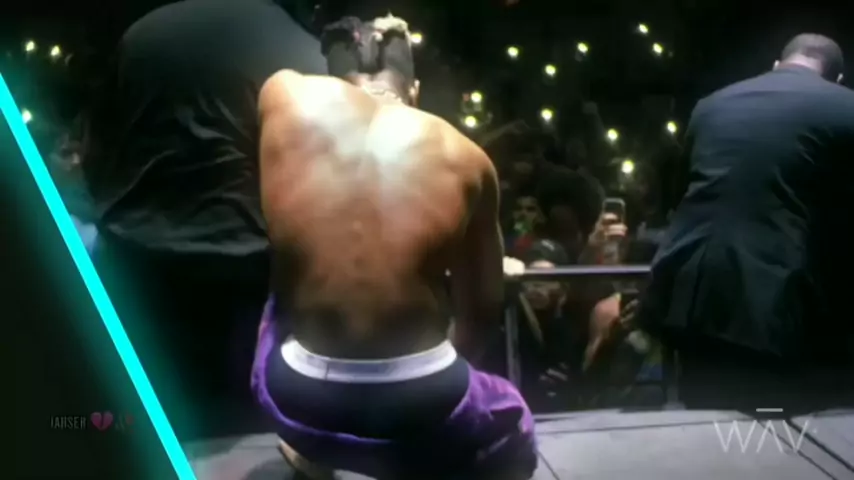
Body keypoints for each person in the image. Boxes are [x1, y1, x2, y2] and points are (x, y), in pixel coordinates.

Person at [250, 15, 537, 479]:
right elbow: (481, 312)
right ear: (414, 90)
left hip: (300, 396)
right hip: (421, 402)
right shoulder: (467, 157)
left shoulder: (282, 95)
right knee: (511, 414)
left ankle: (314, 451)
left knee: (279, 286)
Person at [82, 0, 327, 437]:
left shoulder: (143, 33)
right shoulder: (303, 49)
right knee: (244, 433)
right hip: (247, 274)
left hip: (137, 263)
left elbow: (95, 146)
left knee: (134, 421)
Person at [638, 33, 854, 413]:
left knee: (706, 427)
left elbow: (685, 194)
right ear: (836, 79)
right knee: (782, 438)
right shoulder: (845, 107)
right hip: (774, 306)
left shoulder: (710, 105)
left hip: (689, 297)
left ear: (777, 64)